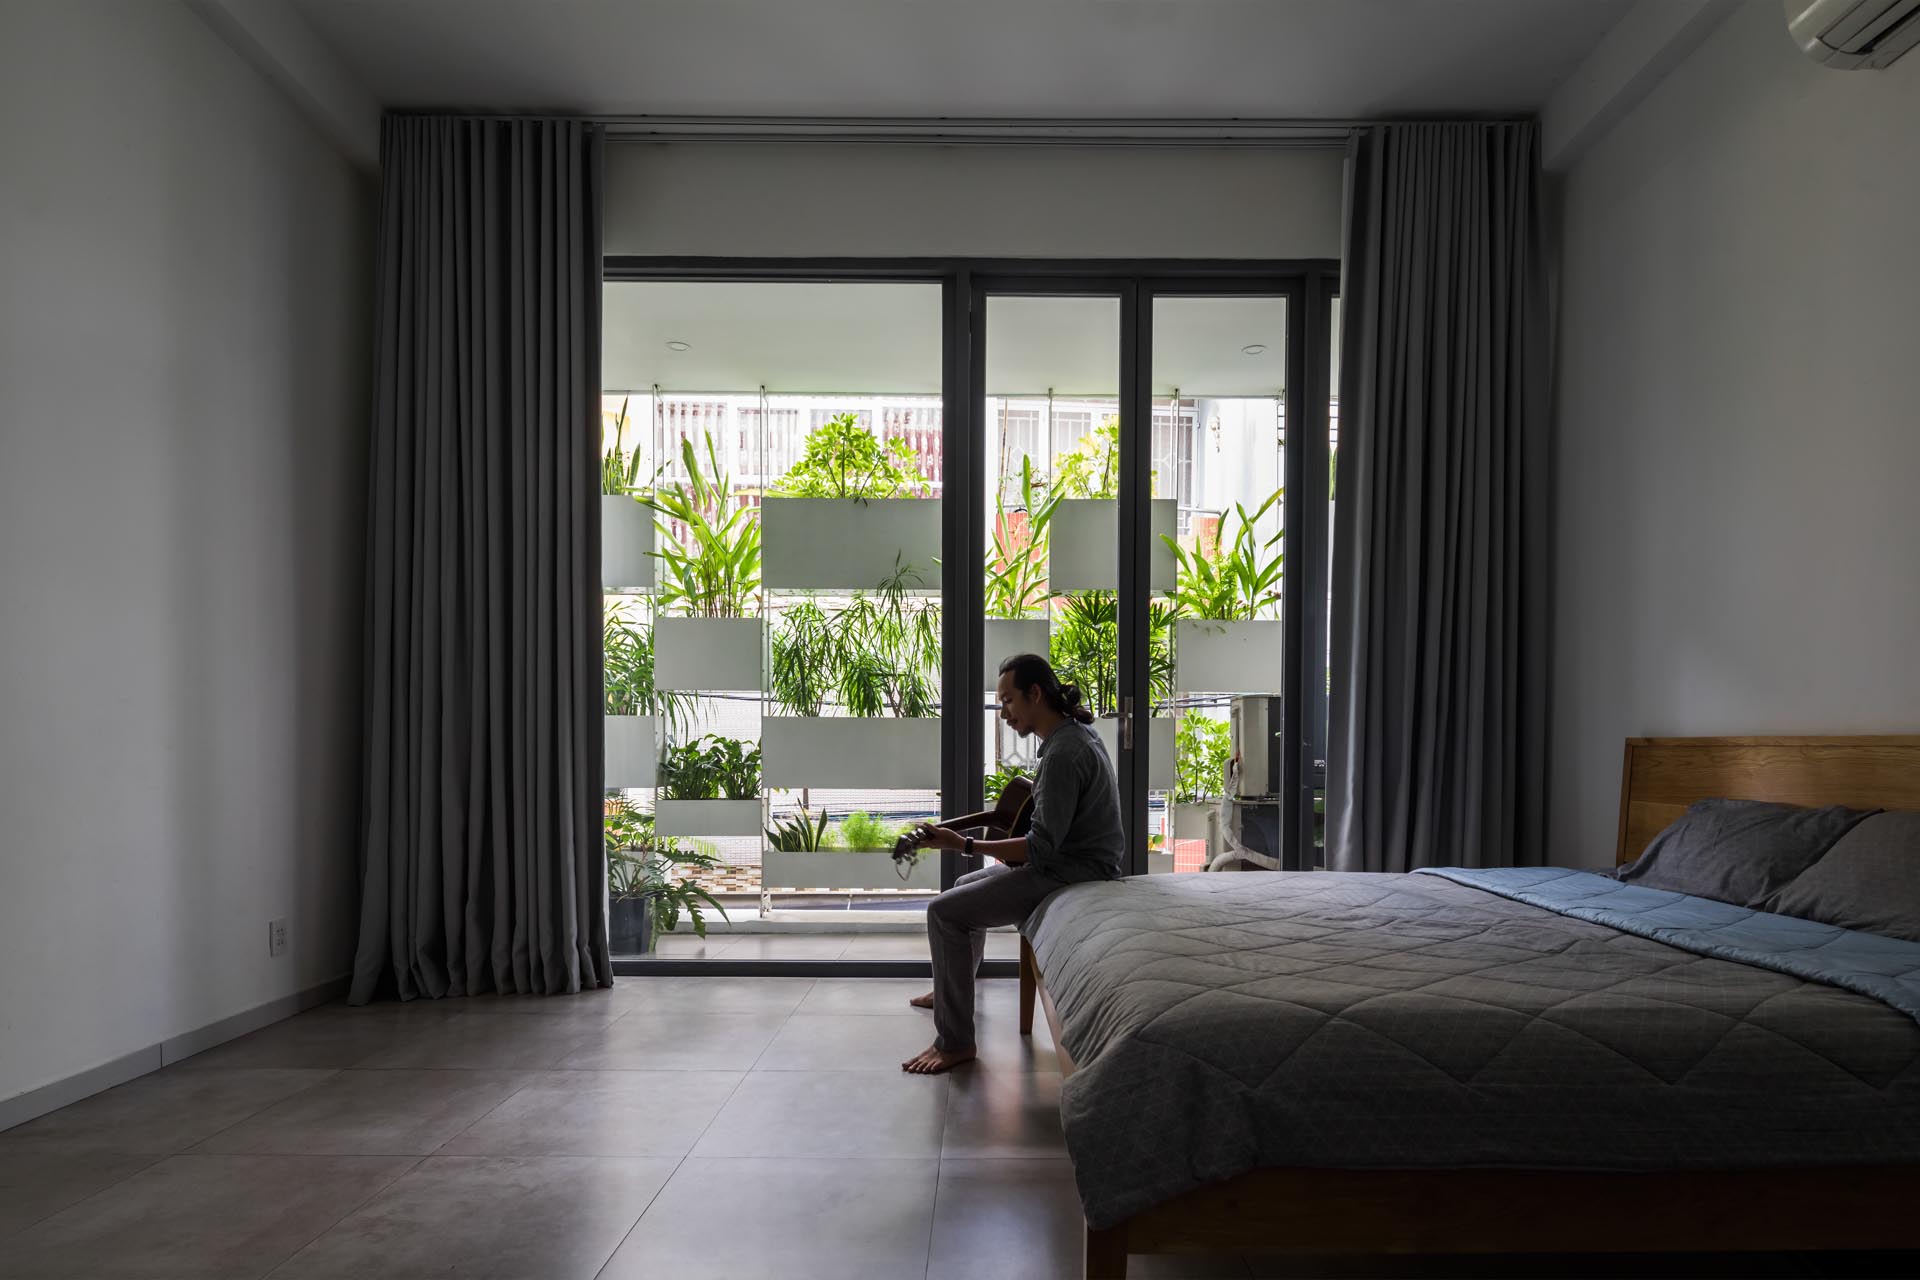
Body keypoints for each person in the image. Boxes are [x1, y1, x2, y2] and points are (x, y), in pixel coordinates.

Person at [898, 653, 1124, 1074]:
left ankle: (955, 1043)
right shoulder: (1071, 735)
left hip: (1074, 872)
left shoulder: (1062, 753)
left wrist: (963, 844)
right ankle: (953, 987)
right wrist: (956, 840)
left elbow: (1040, 849)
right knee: (959, 893)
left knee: (943, 912)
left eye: (1007, 701)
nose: (1003, 714)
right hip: (1069, 861)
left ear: (1035, 694)